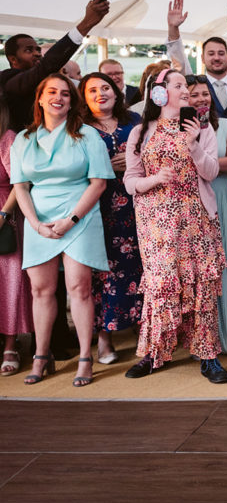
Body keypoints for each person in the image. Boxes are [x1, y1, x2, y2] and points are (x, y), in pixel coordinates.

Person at [122, 68, 227, 383]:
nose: (186, 91)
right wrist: (154, 179)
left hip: (197, 219)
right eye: (179, 85)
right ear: (159, 93)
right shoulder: (141, 132)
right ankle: (155, 353)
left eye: (187, 85)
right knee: (162, 285)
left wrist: (194, 143)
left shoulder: (202, 128)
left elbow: (211, 172)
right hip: (157, 224)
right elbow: (130, 181)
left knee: (202, 285)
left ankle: (208, 356)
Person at [11, 74, 113, 386]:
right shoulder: (23, 139)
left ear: (72, 101)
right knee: (40, 290)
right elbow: (20, 186)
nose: (59, 98)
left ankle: (85, 357)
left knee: (79, 289)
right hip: (38, 219)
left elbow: (99, 183)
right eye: (52, 92)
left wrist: (71, 219)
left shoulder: (87, 136)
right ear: (40, 99)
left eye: (66, 94)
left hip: (79, 217)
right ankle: (41, 356)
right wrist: (35, 223)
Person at [80, 72, 143, 364]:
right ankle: (104, 339)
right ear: (84, 97)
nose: (100, 94)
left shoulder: (135, 123)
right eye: (92, 90)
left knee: (142, 268)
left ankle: (147, 331)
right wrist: (106, 164)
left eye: (105, 88)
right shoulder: (78, 129)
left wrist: (132, 162)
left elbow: (154, 155)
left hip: (139, 204)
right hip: (99, 208)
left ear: (117, 92)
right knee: (104, 274)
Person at [187, 76, 227, 358]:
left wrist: (206, 165)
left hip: (222, 197)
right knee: (200, 271)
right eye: (193, 94)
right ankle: (204, 338)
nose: (201, 99)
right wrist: (215, 165)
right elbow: (185, 169)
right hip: (191, 202)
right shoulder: (176, 130)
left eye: (204, 94)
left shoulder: (224, 125)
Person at [1, 0, 109, 130]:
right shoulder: (10, 81)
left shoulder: (46, 80)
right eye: (29, 50)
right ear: (13, 59)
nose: (37, 53)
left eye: (38, 49)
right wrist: (85, 24)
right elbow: (48, 64)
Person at [0, 95, 32, 376]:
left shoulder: (8, 137)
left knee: (9, 282)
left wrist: (2, 215)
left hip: (5, 214)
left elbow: (19, 181)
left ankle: (12, 344)